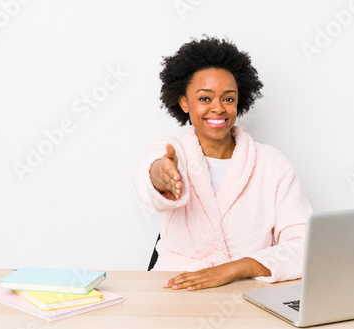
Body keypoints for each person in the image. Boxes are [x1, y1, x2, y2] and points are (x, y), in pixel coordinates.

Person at [134, 36, 312, 291]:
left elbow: (305, 245)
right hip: (177, 288)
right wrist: (162, 176)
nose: (218, 108)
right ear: (184, 102)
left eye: (228, 99)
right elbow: (151, 176)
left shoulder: (272, 164)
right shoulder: (173, 152)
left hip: (249, 289)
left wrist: (235, 268)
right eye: (205, 99)